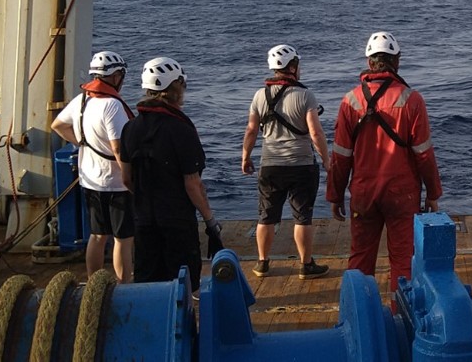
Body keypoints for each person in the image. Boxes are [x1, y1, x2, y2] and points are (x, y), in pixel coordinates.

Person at [326, 31, 442, 287]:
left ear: (369, 63)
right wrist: (433, 193)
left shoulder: (349, 100)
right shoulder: (412, 100)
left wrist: (334, 195)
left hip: (364, 192)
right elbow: (424, 155)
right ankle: (401, 317)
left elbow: (341, 156)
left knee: (360, 258)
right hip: (402, 193)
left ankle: (359, 315)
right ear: (397, 61)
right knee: (403, 259)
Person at [119, 57, 221, 293]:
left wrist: (147, 196)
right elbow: (192, 183)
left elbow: (126, 178)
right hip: (177, 219)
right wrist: (210, 221)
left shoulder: (130, 128)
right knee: (182, 283)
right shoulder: (181, 129)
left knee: (147, 282)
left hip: (144, 219)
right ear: (176, 88)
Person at [240, 44, 330, 279]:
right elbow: (316, 133)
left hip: (270, 165)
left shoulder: (260, 95)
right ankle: (306, 264)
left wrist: (246, 157)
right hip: (302, 165)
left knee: (266, 216)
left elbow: (251, 130)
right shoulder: (305, 95)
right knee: (302, 217)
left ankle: (262, 263)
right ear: (292, 67)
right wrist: (327, 160)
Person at [51, 51, 135, 282]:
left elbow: (57, 124)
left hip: (90, 180)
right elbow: (119, 149)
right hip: (116, 183)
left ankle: (93, 283)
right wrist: (130, 180)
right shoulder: (112, 106)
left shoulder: (81, 101)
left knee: (97, 236)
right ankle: (125, 285)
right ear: (116, 76)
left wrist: (81, 142)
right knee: (122, 238)